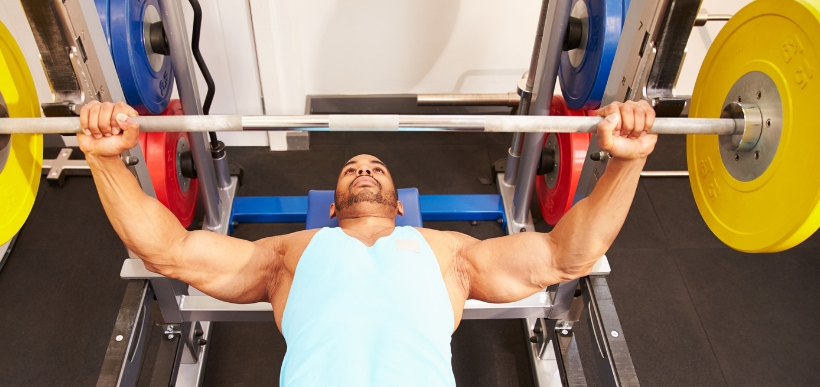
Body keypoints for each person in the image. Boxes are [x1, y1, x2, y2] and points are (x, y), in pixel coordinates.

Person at [79, 100, 657, 386]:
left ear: (399, 200)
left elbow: (565, 257)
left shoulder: (450, 254)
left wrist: (626, 164)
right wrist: (105, 161)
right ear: (331, 206)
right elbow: (170, 252)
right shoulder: (287, 255)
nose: (363, 170)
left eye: (375, 166)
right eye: (352, 167)